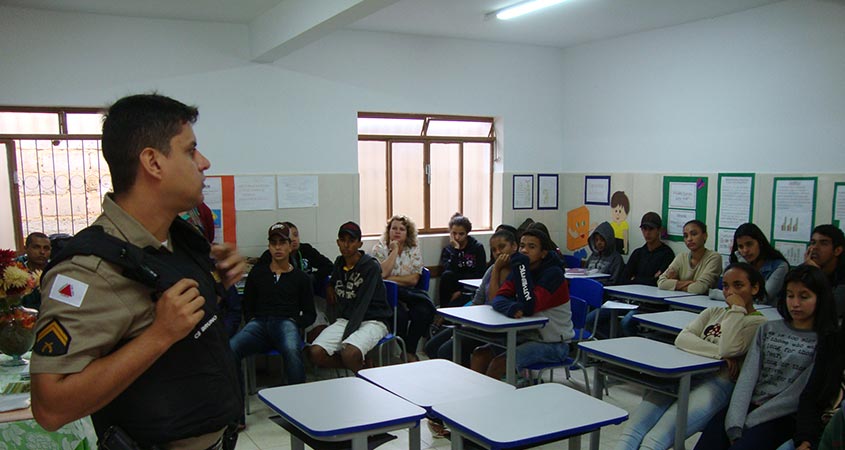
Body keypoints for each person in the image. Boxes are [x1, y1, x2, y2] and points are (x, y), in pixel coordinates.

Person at [30, 94, 245, 449]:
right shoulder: (88, 270)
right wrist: (159, 334)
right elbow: (50, 407)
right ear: (153, 162)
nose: (204, 163)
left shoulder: (178, 240)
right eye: (191, 151)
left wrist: (216, 282)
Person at [614, 262, 768, 450]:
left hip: (718, 383)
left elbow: (729, 347)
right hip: (685, 374)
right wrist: (718, 355)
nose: (730, 292)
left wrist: (737, 310)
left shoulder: (758, 323)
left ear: (755, 288)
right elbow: (683, 339)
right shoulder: (713, 311)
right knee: (633, 430)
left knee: (656, 439)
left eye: (738, 285)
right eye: (726, 286)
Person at [694, 265, 839, 450]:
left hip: (781, 417)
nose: (795, 303)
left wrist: (752, 420)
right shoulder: (768, 329)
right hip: (746, 408)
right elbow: (747, 377)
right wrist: (735, 421)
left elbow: (798, 393)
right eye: (790, 295)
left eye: (804, 297)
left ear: (820, 298)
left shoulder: (825, 341)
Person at [470, 228, 573, 380]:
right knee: (480, 354)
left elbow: (530, 306)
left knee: (499, 364)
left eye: (531, 247)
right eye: (522, 246)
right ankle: (474, 398)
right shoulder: (520, 268)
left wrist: (522, 271)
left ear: (543, 253)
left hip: (553, 343)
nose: (524, 250)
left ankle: (495, 402)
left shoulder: (553, 275)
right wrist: (511, 308)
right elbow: (498, 298)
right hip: (525, 336)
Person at [229, 222, 315, 385]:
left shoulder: (301, 278)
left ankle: (298, 403)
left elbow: (310, 314)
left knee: (291, 350)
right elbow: (247, 304)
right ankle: (237, 400)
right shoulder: (258, 273)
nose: (278, 248)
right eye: (273, 243)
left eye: (282, 243)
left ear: (290, 246)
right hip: (259, 324)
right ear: (269, 247)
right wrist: (252, 320)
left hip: (286, 323)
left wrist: (295, 322)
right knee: (231, 348)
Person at [308, 221, 392, 374]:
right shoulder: (339, 263)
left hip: (373, 320)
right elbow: (333, 282)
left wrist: (346, 336)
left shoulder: (371, 267)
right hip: (346, 319)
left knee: (349, 353)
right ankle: (365, 368)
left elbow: (363, 304)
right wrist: (329, 286)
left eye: (351, 241)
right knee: (315, 353)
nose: (346, 245)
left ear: (359, 243)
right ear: (337, 242)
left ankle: (368, 382)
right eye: (343, 240)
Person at [424, 228, 518, 362]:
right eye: (494, 249)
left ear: (514, 246)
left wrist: (497, 269)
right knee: (431, 346)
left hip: (499, 327)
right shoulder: (491, 269)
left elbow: (494, 300)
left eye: (502, 247)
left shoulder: (519, 271)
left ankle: (465, 376)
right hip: (481, 322)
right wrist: (466, 319)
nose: (498, 252)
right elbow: (478, 298)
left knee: (446, 351)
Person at [371, 215, 434, 361]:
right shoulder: (380, 248)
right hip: (388, 294)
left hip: (410, 293)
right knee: (400, 316)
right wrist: (394, 251)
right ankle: (408, 352)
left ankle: (409, 351)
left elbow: (413, 279)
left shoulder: (413, 249)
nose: (397, 232)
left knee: (424, 311)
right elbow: (381, 275)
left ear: (408, 233)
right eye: (394, 228)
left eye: (401, 229)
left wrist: (390, 279)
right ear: (389, 231)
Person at [258, 221, 334, 342]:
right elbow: (260, 280)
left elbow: (329, 266)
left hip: (309, 301)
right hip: (283, 305)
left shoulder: (306, 250)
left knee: (319, 331)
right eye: (289, 236)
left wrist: (311, 278)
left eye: (296, 235)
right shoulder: (269, 256)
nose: (294, 239)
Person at [614, 212, 676, 336]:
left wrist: (635, 278)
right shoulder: (638, 253)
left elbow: (658, 282)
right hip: (630, 301)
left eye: (651, 229)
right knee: (594, 317)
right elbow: (623, 279)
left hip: (651, 306)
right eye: (644, 229)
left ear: (659, 230)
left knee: (626, 323)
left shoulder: (667, 254)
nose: (647, 233)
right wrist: (645, 279)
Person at [710, 223, 789, 306]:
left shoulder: (780, 266)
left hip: (769, 314)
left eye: (749, 244)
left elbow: (762, 299)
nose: (745, 250)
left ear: (760, 243)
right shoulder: (740, 261)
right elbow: (728, 290)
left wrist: (717, 294)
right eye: (740, 246)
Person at [657, 219, 722, 294]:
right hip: (679, 302)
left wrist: (674, 285)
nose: (689, 239)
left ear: (705, 236)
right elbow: (661, 283)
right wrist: (691, 282)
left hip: (703, 304)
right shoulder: (681, 257)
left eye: (694, 234)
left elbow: (699, 289)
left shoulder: (714, 257)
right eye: (685, 236)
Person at [438, 213, 487, 308]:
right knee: (447, 275)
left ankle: (444, 315)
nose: (457, 237)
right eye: (454, 233)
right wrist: (456, 250)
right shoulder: (448, 249)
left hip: (470, 287)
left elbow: (480, 273)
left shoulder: (477, 247)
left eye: (461, 234)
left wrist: (461, 291)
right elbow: (448, 270)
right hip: (452, 286)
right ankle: (443, 311)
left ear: (467, 233)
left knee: (455, 306)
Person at [803, 224, 845, 320]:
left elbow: (835, 309)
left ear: (837, 250)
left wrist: (818, 275)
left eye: (823, 243)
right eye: (813, 243)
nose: (815, 248)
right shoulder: (805, 269)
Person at [17, 232, 51, 310]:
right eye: (36, 247)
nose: (42, 252)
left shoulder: (55, 271)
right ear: (25, 249)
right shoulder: (14, 270)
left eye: (46, 248)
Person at [584, 221, 625, 285]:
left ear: (609, 240)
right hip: (587, 287)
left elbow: (614, 281)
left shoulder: (616, 259)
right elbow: (584, 273)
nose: (599, 243)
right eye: (596, 240)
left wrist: (596, 285)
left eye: (602, 240)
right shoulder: (592, 256)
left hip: (604, 291)